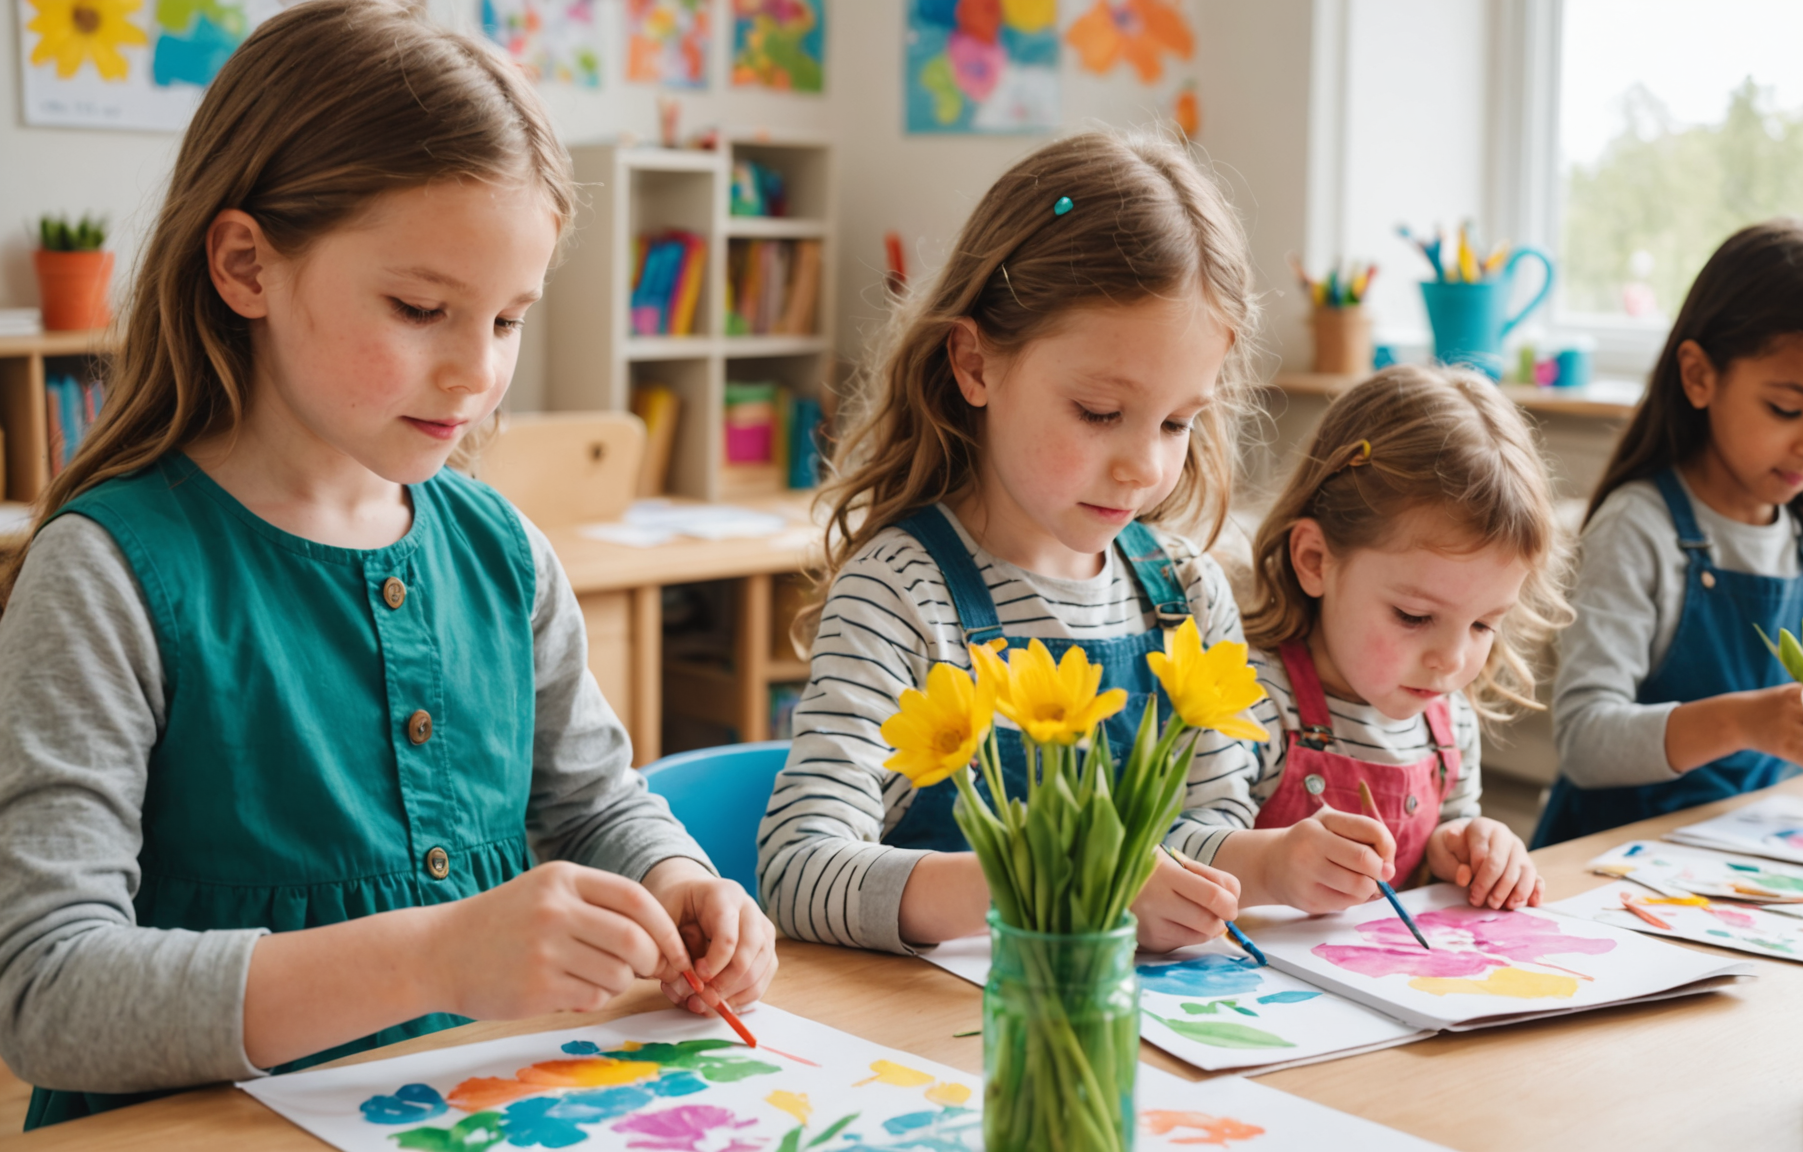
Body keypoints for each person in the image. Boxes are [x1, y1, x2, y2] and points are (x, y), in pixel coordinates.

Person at [0, 2, 773, 1128]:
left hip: (483, 1107)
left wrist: (679, 883)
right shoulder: (108, 578)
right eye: (421, 309)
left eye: (509, 319)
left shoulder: (503, 553)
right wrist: (435, 960)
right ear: (245, 265)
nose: (475, 373)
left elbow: (599, 802)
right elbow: (50, 994)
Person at [758, 130, 1260, 954]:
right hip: (940, 1046)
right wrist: (1049, 876)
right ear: (976, 363)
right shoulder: (901, 596)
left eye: (1178, 422)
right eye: (1101, 413)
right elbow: (799, 871)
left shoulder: (1189, 597)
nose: (1144, 466)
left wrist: (1264, 865)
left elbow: (1211, 825)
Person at [1536, 219, 1803, 848]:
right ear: (1699, 375)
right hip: (1611, 862)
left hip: (1753, 858)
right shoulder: (1638, 527)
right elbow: (1586, 739)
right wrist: (1741, 721)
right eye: (1787, 409)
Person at [1188, 366, 1568, 913]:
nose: (1453, 660)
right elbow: (1175, 849)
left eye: (1485, 624)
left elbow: (1449, 825)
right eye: (1414, 616)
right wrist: (1271, 867)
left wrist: (1466, 846)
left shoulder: (1448, 721)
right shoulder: (1248, 699)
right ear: (1315, 561)